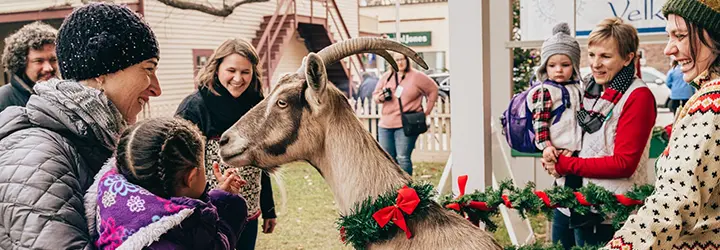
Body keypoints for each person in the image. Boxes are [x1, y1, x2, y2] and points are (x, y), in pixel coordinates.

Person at [0, 3, 161, 248]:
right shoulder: (37, 154)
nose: (156, 89)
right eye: (148, 69)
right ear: (101, 71)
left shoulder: (100, 139)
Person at [604, 1, 720, 249]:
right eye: (669, 36)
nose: (669, 49)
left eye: (680, 36)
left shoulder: (712, 105)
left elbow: (672, 203)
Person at [542, 17, 656, 248]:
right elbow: (573, 138)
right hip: (568, 202)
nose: (595, 64)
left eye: (605, 56)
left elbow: (624, 164)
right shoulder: (587, 88)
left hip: (606, 213)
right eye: (592, 55)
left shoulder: (638, 97)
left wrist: (565, 165)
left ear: (628, 58)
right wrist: (552, 155)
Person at [175, 38, 277, 250]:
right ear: (216, 68)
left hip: (248, 213)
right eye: (231, 70)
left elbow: (262, 163)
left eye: (245, 72)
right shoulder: (194, 107)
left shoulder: (257, 106)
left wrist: (268, 209)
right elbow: (178, 166)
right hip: (207, 214)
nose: (238, 78)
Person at [88, 117, 248, 249]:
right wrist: (230, 205)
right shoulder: (187, 232)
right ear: (191, 177)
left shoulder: (113, 207)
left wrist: (219, 195)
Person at [525, 22, 584, 250]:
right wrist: (546, 146)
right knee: (565, 195)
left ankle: (568, 233)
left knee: (572, 195)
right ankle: (563, 238)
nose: (558, 70)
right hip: (557, 152)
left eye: (565, 64)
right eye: (552, 65)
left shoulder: (578, 89)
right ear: (544, 67)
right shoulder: (545, 91)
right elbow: (540, 122)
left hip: (575, 150)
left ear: (575, 66)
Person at [372, 52, 439, 176]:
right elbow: (375, 95)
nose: (400, 62)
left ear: (407, 60)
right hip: (386, 125)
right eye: (396, 60)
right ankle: (392, 188)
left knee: (402, 157)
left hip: (406, 123)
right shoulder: (387, 77)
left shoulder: (416, 76)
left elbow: (433, 89)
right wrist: (380, 97)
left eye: (402, 59)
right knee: (388, 158)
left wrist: (427, 111)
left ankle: (406, 187)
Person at [0, 21, 58, 112]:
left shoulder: (66, 97)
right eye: (39, 61)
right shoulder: (3, 100)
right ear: (20, 64)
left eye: (53, 60)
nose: (48, 68)